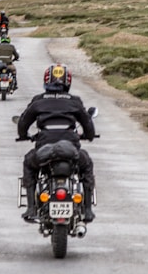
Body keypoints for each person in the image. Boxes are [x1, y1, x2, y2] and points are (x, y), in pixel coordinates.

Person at [16, 63, 96, 223]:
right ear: (68, 81)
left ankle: (31, 208)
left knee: (29, 163)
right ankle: (87, 209)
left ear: (46, 80)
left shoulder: (38, 101)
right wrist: (88, 135)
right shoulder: (75, 101)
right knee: (86, 165)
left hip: (43, 151)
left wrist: (24, 135)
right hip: (71, 150)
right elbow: (88, 126)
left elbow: (23, 123)